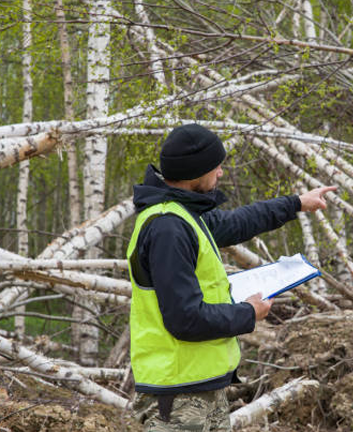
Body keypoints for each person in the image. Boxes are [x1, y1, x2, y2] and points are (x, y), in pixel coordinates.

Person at [127, 123, 335, 431]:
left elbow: (237, 222)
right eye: (216, 166)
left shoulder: (184, 214)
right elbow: (185, 319)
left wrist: (296, 203)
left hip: (198, 386)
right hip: (178, 394)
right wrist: (248, 313)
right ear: (195, 171)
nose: (221, 173)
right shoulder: (168, 227)